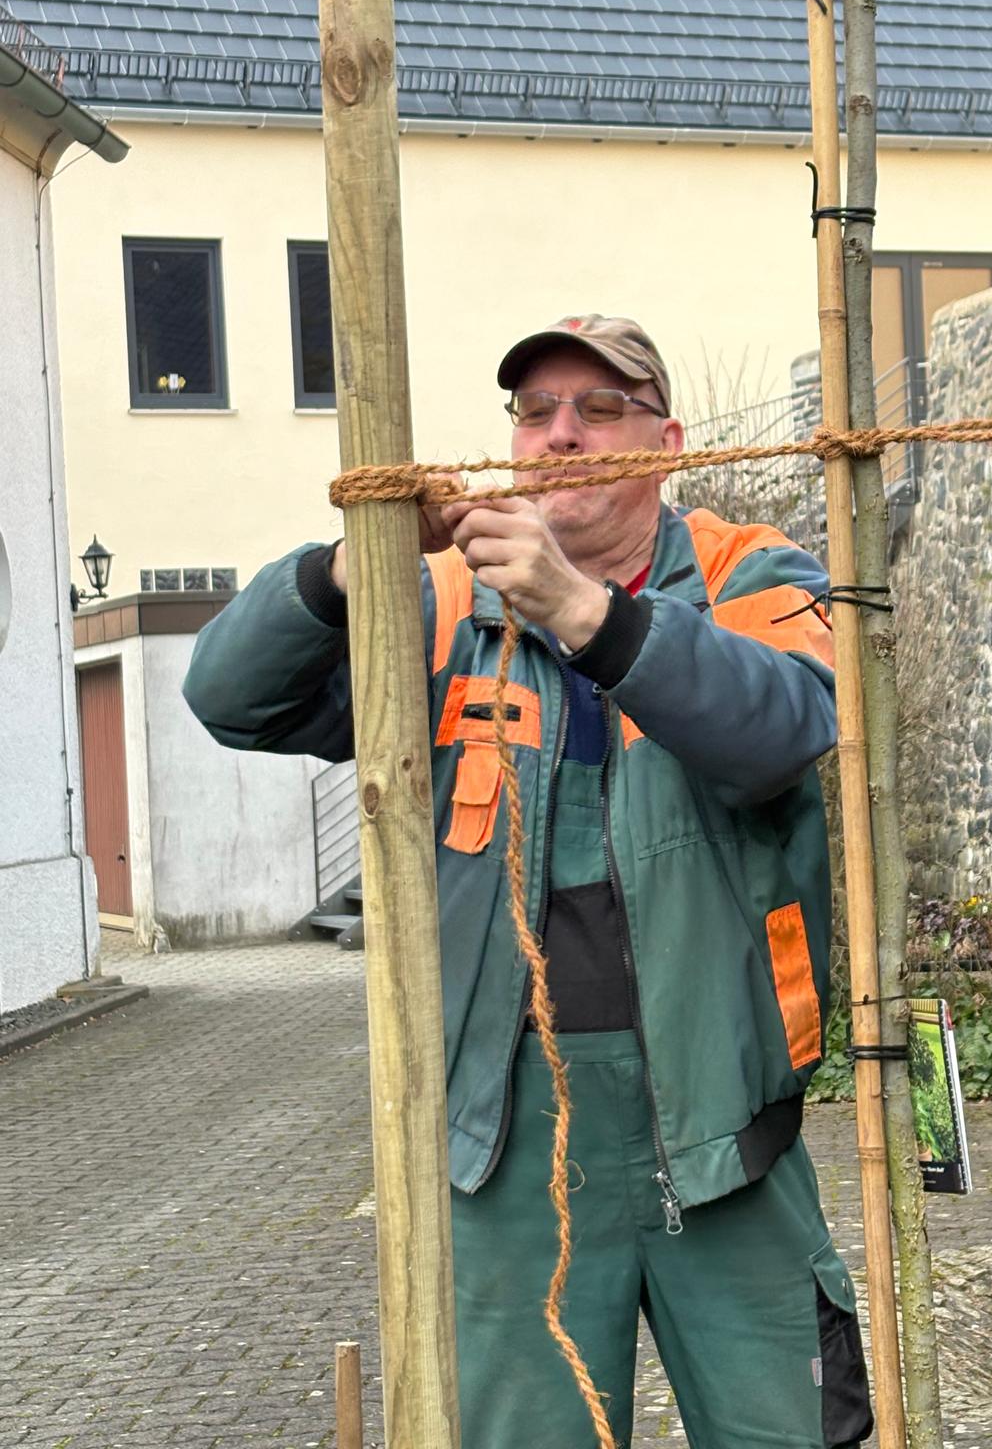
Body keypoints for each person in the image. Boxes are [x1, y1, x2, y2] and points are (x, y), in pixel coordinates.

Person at [183, 313, 873, 1449]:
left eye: (600, 409)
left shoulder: (756, 571)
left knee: (796, 1428)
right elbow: (229, 697)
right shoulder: (448, 603)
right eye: (536, 410)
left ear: (667, 441)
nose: (560, 435)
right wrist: (352, 567)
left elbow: (784, 728)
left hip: (722, 1126)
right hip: (505, 1139)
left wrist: (588, 614)